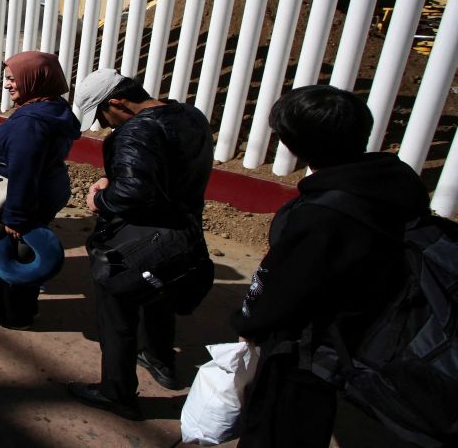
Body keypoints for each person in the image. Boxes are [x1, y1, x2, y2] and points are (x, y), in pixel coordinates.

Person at [229, 85, 428, 447]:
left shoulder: (323, 212)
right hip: (372, 326)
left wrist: (247, 322)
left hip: (313, 344)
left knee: (279, 426)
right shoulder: (395, 179)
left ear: (292, 144)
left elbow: (282, 286)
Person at [67, 69, 213, 420]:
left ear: (118, 102)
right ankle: (161, 360)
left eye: (102, 115)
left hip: (142, 239)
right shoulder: (189, 115)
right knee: (158, 291)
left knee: (117, 311)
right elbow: (166, 170)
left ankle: (116, 392)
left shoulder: (135, 131)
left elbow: (135, 192)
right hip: (185, 232)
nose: (103, 125)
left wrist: (100, 198)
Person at [0, 52, 80, 328]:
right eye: (6, 79)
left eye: (13, 79)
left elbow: (23, 171)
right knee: (26, 248)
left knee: (7, 253)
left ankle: (10, 314)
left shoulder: (30, 123)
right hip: (47, 190)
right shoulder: (53, 107)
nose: (8, 85)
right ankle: (22, 305)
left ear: (35, 80)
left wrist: (16, 217)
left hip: (19, 200)